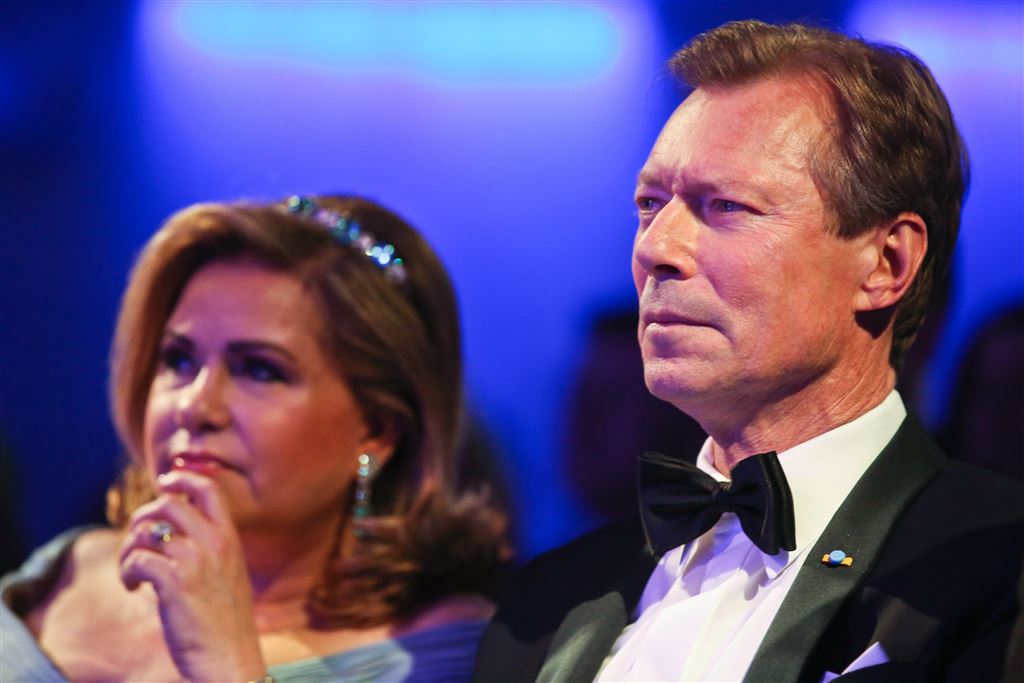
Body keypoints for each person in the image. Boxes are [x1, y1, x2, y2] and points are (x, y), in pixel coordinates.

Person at [473, 20, 1024, 683]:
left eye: (726, 206)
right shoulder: (544, 602)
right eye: (650, 204)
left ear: (885, 262)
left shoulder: (998, 570)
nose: (655, 248)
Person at [1, 194, 507, 682]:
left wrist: (231, 670)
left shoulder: (447, 652)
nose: (195, 406)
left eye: (260, 371)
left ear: (377, 429)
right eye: (178, 359)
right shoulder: (68, 567)